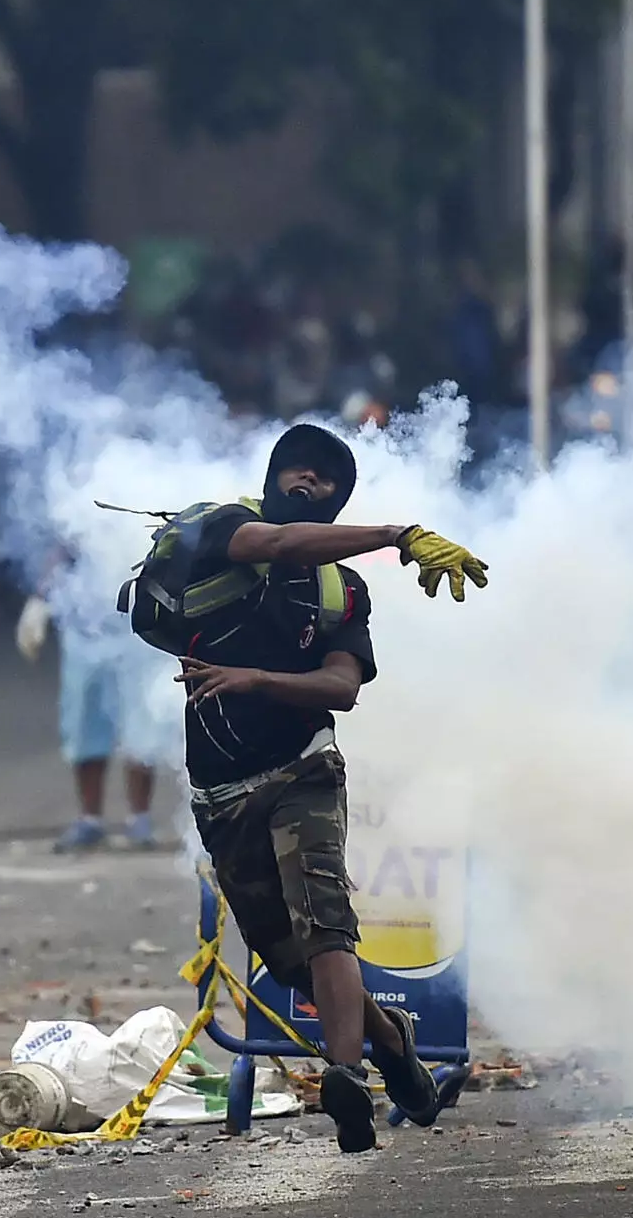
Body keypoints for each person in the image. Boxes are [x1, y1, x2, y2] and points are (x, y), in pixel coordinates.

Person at [157, 423, 487, 1152]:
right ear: (274, 478)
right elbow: (274, 546)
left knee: (324, 916)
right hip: (220, 787)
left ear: (339, 502)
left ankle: (347, 1075)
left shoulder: (344, 590)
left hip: (305, 765)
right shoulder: (225, 526)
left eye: (327, 481)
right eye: (298, 472)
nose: (310, 483)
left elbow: (342, 686)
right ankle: (390, 1040)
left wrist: (258, 681)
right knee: (288, 958)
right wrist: (400, 533)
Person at [19, 564, 167, 852]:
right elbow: (66, 542)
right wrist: (40, 597)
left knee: (141, 725)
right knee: (84, 722)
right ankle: (90, 819)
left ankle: (140, 817)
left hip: (134, 622)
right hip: (85, 624)